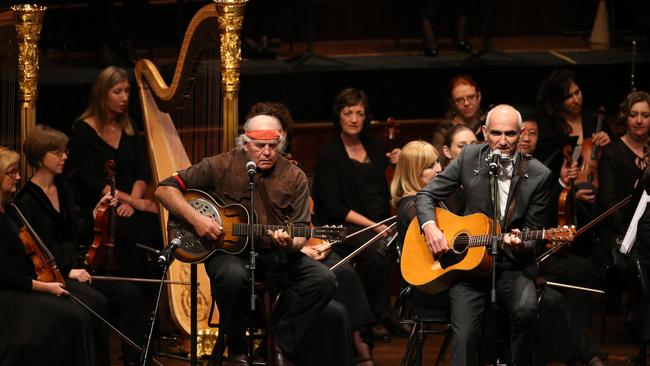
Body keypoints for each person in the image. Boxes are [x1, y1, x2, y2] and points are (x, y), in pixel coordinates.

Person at [155, 112, 353, 365]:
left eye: (273, 146)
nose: (267, 152)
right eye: (260, 146)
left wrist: (289, 243)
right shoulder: (219, 165)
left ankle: (276, 344)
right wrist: (197, 219)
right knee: (232, 277)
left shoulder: (295, 177)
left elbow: (301, 233)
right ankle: (237, 348)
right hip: (226, 253)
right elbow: (163, 189)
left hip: (273, 254)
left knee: (324, 280)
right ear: (245, 143)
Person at [415, 104, 553, 365]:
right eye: (496, 133)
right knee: (465, 336)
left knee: (526, 311)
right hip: (468, 269)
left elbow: (533, 236)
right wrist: (430, 226)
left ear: (522, 134)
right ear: (484, 131)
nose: (503, 141)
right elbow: (426, 195)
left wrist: (520, 244)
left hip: (512, 266)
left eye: (510, 134)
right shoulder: (469, 158)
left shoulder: (539, 175)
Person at [15, 124, 146, 366]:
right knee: (97, 302)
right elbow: (37, 253)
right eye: (58, 152)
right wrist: (68, 271)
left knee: (130, 294)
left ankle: (135, 361)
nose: (65, 157)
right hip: (56, 276)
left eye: (65, 151)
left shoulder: (63, 188)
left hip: (78, 269)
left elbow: (76, 231)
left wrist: (98, 211)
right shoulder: (26, 200)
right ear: (40, 155)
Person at [0, 146, 110, 366]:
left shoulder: (11, 209)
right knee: (76, 316)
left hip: (30, 281)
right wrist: (45, 287)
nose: (19, 177)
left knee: (95, 303)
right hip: (10, 292)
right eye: (12, 172)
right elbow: (3, 274)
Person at [513, 110, 604, 366]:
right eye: (522, 132)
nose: (526, 138)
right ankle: (581, 351)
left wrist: (564, 185)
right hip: (521, 256)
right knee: (554, 292)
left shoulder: (542, 166)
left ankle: (571, 343)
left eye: (533, 133)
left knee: (584, 269)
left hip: (540, 247)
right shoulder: (510, 168)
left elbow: (549, 209)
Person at [312, 87, 401, 341]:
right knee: (379, 253)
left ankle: (400, 312)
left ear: (366, 117)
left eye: (359, 113)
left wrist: (398, 159)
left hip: (381, 221)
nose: (353, 119)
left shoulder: (375, 146)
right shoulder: (330, 154)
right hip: (344, 225)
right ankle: (372, 319)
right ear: (338, 116)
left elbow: (389, 184)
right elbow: (333, 207)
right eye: (347, 112)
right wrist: (375, 226)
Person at [66, 66, 160, 278]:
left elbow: (142, 172)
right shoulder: (83, 130)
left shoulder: (129, 126)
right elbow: (90, 180)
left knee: (156, 227)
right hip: (101, 205)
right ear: (102, 94)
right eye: (117, 92)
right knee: (130, 232)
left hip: (128, 202)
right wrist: (139, 203)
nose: (124, 97)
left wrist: (132, 202)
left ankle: (151, 295)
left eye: (127, 91)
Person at [598, 91, 650, 254]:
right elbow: (609, 201)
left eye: (645, 115)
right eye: (633, 115)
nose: (639, 120)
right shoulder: (611, 152)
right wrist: (632, 230)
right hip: (621, 230)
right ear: (626, 117)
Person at [432, 75, 485, 152]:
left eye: (471, 97)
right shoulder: (444, 131)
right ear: (452, 103)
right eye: (459, 100)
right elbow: (438, 162)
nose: (466, 103)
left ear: (479, 96)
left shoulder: (489, 124)